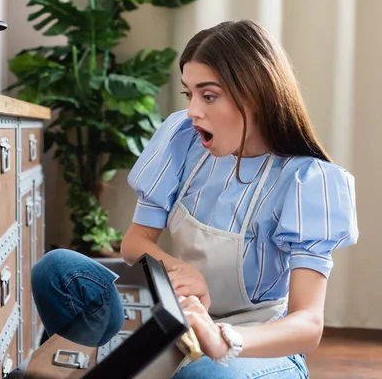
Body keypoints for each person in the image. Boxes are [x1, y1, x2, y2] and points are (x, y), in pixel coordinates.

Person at [31, 19, 358, 378]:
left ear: (255, 95)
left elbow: (308, 325)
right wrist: (179, 269)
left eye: (209, 95)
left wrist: (222, 338)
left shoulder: (306, 181)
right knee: (56, 270)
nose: (193, 111)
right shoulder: (183, 141)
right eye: (190, 94)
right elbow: (135, 243)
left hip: (256, 341)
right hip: (174, 321)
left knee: (203, 375)